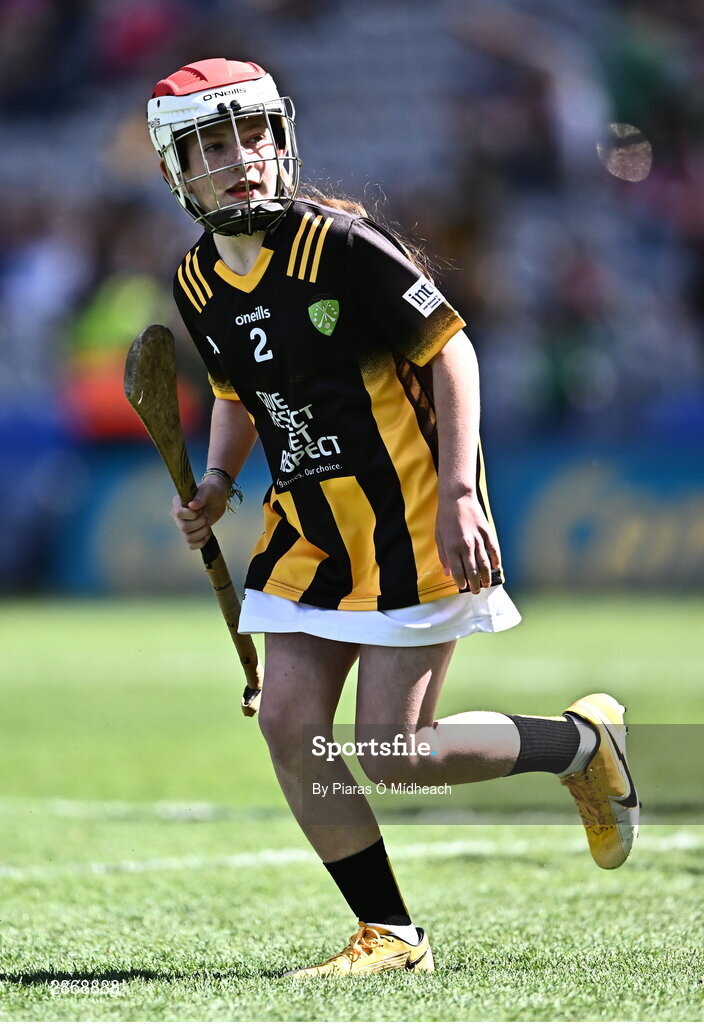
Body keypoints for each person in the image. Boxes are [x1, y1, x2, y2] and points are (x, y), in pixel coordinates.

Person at [147, 58, 639, 977]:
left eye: (253, 134)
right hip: (307, 528)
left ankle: (581, 744)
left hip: (414, 512)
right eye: (212, 145)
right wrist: (217, 479)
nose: (240, 159)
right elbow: (235, 392)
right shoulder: (196, 281)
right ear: (179, 169)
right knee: (290, 726)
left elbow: (453, 352)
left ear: (281, 139)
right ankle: (390, 932)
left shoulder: (340, 246)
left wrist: (460, 491)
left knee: (396, 752)